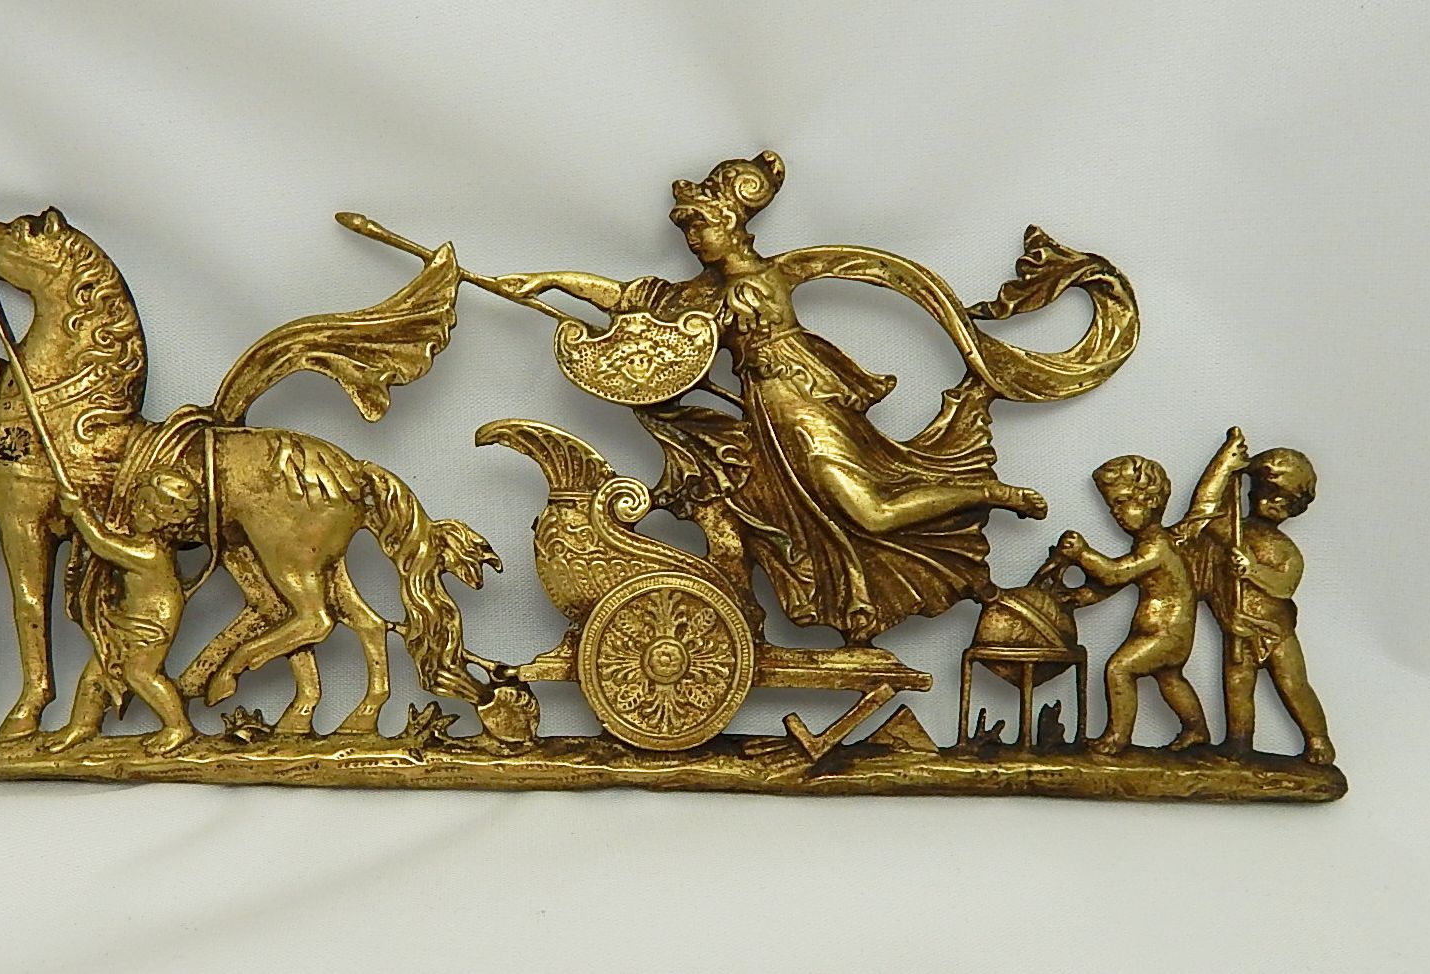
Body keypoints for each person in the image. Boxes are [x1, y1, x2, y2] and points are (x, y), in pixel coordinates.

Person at [496, 152, 1047, 642]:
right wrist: (549, 281)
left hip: (808, 409)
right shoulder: (704, 291)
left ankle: (985, 491)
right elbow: (628, 297)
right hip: (770, 423)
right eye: (687, 231)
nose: (693, 240)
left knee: (872, 513)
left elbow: (880, 273)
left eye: (701, 226)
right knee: (803, 517)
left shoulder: (771, 277)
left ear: (731, 222)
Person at [1179, 441, 1333, 765]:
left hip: (1276, 632)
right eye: (1268, 492)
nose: (1274, 503)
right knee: (1237, 685)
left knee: (1292, 685)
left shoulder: (1286, 549)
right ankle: (1238, 744)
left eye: (1285, 500)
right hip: (1238, 626)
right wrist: (1225, 465)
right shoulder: (1233, 531)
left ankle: (1318, 739)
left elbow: (1284, 586)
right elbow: (1202, 514)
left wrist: (1252, 570)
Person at [1059, 454, 1211, 755]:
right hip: (1161, 633)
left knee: (1119, 669)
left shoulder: (1157, 547)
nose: (1115, 512)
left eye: (1121, 502)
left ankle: (1117, 738)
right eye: (1111, 505)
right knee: (1170, 679)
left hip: (1167, 635)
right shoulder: (1147, 545)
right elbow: (1121, 580)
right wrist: (1084, 596)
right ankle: (1196, 730)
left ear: (1150, 501)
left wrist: (1082, 554)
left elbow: (1115, 574)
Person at [44, 468, 201, 755]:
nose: (135, 510)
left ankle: (178, 726)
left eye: (144, 506)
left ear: (162, 520)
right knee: (97, 671)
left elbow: (101, 544)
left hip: (151, 622)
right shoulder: (141, 546)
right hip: (128, 617)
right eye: (137, 502)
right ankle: (82, 725)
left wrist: (78, 512)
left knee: (139, 673)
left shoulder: (148, 554)